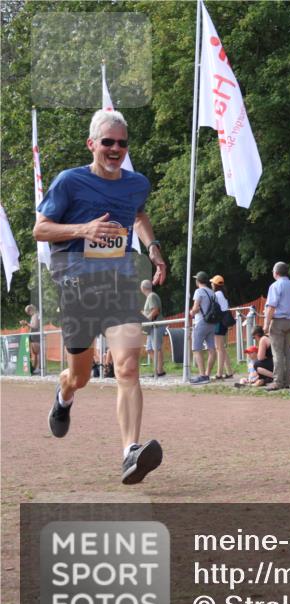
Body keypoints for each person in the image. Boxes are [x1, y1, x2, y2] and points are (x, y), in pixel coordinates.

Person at [33, 109, 168, 485]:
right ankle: (64, 395)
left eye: (122, 143)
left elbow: (137, 215)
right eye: (108, 142)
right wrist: (84, 228)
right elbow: (40, 229)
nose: (115, 149)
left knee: (126, 366)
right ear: (92, 144)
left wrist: (152, 247)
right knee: (80, 375)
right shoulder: (69, 182)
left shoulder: (136, 183)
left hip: (119, 284)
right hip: (77, 287)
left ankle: (130, 453)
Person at [263, 261, 290, 391]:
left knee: (277, 352)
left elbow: (271, 306)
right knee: (286, 352)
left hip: (278, 321)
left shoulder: (275, 286)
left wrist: (266, 324)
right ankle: (286, 380)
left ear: (276, 272)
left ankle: (278, 381)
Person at [189, 271, 217, 384]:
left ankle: (202, 375)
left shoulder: (199, 291)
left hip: (201, 322)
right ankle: (207, 374)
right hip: (212, 323)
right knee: (211, 349)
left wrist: (191, 312)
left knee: (196, 348)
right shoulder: (212, 292)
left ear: (198, 281)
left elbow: (196, 308)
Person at [140, 279, 166, 377]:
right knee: (149, 349)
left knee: (156, 348)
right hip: (153, 327)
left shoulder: (151, 296)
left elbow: (155, 310)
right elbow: (151, 311)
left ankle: (160, 370)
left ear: (142, 288)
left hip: (156, 326)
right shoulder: (151, 296)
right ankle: (158, 368)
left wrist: (146, 320)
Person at [211, 275, 234, 380]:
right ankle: (229, 371)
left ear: (215, 284)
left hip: (219, 322)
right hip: (224, 322)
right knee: (222, 348)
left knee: (219, 348)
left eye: (212, 283)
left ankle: (219, 374)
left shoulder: (216, 294)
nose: (211, 284)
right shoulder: (223, 294)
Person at [19, 304, 41, 374]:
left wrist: (26, 323)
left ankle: (38, 368)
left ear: (31, 310)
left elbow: (35, 326)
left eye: (28, 312)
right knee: (36, 353)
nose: (28, 314)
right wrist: (27, 324)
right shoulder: (35, 315)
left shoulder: (35, 315)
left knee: (37, 353)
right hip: (34, 336)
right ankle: (36, 368)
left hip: (36, 336)